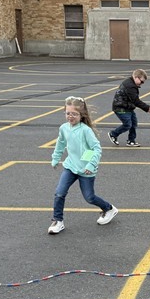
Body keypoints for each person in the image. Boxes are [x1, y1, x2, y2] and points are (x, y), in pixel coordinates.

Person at [48, 96, 118, 234]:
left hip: (86, 170)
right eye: (68, 113)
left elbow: (96, 148)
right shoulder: (63, 128)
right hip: (70, 166)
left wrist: (90, 165)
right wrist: (55, 158)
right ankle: (58, 221)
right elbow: (60, 143)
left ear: (81, 115)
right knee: (59, 193)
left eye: (74, 114)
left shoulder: (85, 130)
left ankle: (109, 209)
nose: (70, 116)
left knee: (89, 197)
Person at [108, 68, 150, 147]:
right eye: (142, 81)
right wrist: (148, 108)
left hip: (128, 107)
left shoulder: (132, 83)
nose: (142, 84)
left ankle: (131, 140)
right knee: (127, 124)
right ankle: (113, 134)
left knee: (134, 123)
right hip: (120, 108)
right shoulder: (130, 86)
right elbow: (136, 101)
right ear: (136, 77)